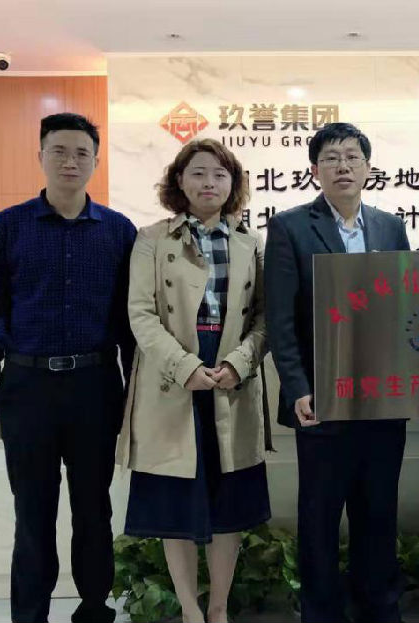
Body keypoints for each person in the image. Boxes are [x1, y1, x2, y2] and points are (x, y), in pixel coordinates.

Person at [0, 112, 136, 623]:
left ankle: (94, 610)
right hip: (26, 388)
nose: (70, 161)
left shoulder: (118, 231)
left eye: (82, 152)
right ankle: (30, 616)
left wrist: (135, 401)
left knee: (94, 509)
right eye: (59, 151)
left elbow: (131, 325)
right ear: (40, 156)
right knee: (33, 513)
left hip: (95, 387)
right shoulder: (7, 227)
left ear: (95, 161)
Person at [117, 138, 271, 623]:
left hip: (230, 378)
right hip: (173, 378)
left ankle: (219, 608)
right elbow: (140, 314)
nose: (209, 182)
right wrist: (184, 367)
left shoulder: (249, 241)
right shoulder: (151, 239)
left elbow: (266, 316)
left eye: (220, 174)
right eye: (198, 173)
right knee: (176, 503)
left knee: (229, 503)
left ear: (233, 184)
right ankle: (189, 609)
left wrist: (239, 363)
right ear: (179, 181)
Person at [264, 122, 411, 623]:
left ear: (368, 168)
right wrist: (297, 387)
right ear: (315, 170)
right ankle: (322, 612)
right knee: (319, 517)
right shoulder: (290, 227)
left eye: (352, 156)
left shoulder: (390, 227)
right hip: (321, 399)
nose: (343, 166)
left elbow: (405, 307)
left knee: (379, 511)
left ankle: (379, 608)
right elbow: (280, 319)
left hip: (383, 398)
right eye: (331, 157)